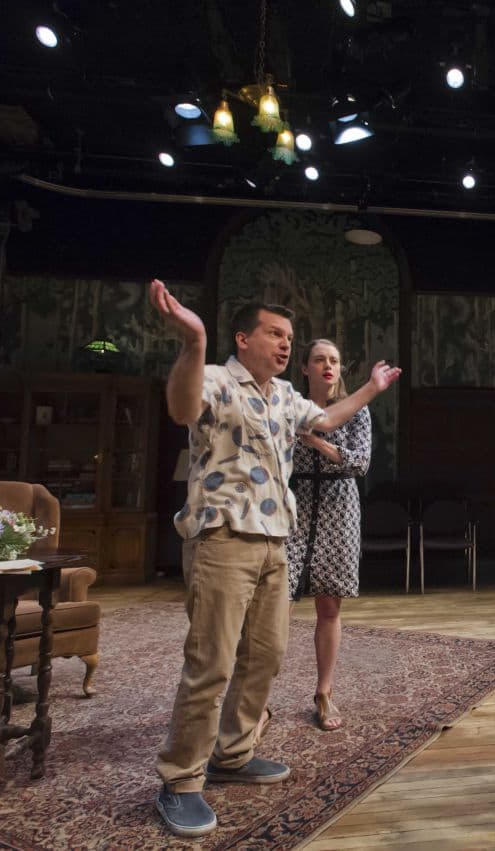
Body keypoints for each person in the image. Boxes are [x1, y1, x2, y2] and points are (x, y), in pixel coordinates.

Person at [148, 280, 400, 838]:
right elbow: (180, 407)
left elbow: (330, 422)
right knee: (212, 660)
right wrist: (193, 343)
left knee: (266, 654)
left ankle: (233, 754)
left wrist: (371, 388)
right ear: (242, 337)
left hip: (275, 539)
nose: (286, 345)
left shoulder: (286, 396)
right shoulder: (214, 377)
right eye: (274, 334)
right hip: (222, 535)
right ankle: (181, 779)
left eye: (290, 337)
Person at [285, 339, 371, 731]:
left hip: (340, 505)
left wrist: (317, 441)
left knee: (329, 606)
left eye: (334, 360)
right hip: (295, 504)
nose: (328, 366)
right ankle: (257, 701)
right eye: (319, 359)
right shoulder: (291, 405)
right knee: (277, 607)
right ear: (305, 368)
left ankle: (324, 692)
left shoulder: (357, 410)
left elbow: (360, 463)